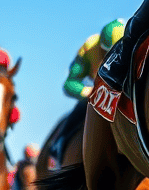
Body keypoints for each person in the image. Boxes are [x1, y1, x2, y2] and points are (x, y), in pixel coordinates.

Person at [49, 20, 124, 169]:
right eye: (106, 53)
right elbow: (69, 84)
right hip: (97, 96)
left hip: (125, 94)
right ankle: (57, 150)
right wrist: (90, 92)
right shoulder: (89, 47)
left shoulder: (136, 40)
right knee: (77, 114)